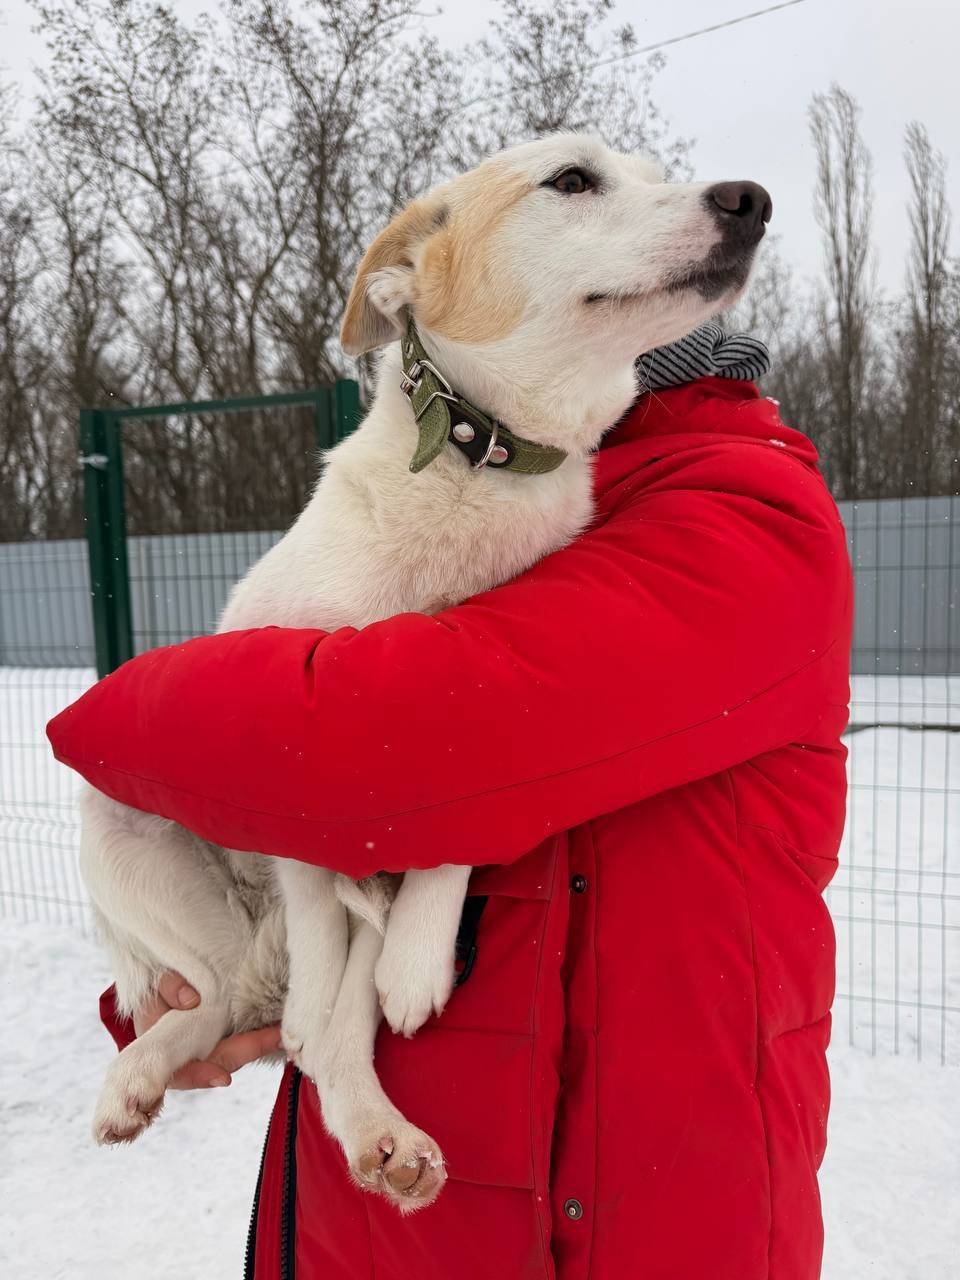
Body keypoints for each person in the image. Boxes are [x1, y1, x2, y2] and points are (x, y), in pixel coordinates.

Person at [49, 326, 852, 1280]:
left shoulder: (741, 513)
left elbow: (382, 740)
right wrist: (193, 992)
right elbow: (292, 802)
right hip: (384, 1205)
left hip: (647, 1213)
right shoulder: (483, 492)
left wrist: (122, 715)